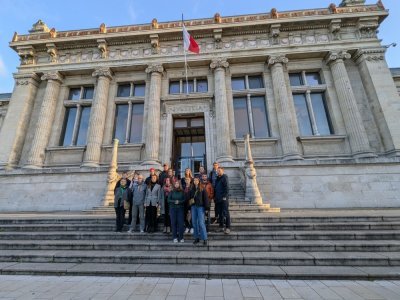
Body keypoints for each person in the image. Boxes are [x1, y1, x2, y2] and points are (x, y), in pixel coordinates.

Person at [190, 177, 209, 245]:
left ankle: (204, 238)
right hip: (193, 207)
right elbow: (189, 198)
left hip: (200, 207)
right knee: (194, 223)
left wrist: (206, 208)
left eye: (196, 180)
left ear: (199, 181)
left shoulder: (202, 189)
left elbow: (206, 198)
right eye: (194, 180)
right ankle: (196, 238)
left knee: (201, 223)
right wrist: (189, 207)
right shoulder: (191, 189)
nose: (195, 181)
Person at [214, 167, 231, 234]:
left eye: (219, 171)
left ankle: (228, 228)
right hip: (218, 199)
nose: (218, 172)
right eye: (217, 171)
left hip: (223, 199)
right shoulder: (217, 179)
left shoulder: (224, 177)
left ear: (222, 171)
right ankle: (221, 227)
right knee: (220, 214)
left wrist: (224, 197)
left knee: (226, 213)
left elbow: (226, 188)